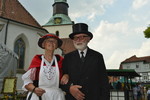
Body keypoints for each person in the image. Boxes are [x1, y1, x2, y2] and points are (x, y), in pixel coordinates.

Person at [61, 23, 110, 100]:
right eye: (75, 37)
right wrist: (69, 88)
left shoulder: (97, 56)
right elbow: (62, 82)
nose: (78, 40)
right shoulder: (67, 57)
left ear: (88, 39)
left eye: (82, 37)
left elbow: (104, 83)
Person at [22, 33, 68, 100]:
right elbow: (27, 81)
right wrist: (34, 89)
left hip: (57, 96)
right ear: (43, 44)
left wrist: (66, 75)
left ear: (57, 46)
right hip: (38, 95)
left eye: (54, 41)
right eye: (49, 41)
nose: (52, 43)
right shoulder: (37, 59)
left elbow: (68, 73)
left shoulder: (60, 60)